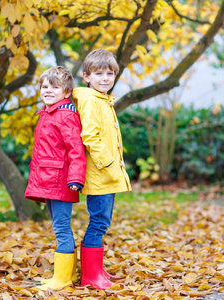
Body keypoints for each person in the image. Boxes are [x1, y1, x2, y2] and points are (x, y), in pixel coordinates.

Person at [72, 49, 132, 290]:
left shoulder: (102, 99)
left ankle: (96, 270)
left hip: (107, 176)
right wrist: (110, 167)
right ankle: (90, 276)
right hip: (101, 175)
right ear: (86, 76)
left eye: (110, 73)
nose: (106, 78)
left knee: (102, 222)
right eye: (99, 73)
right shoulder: (90, 100)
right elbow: (91, 137)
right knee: (98, 222)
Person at [25, 66, 86, 291]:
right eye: (44, 86)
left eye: (55, 87)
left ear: (67, 91)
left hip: (61, 180)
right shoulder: (48, 112)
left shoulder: (66, 115)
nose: (48, 90)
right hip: (49, 179)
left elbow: (76, 150)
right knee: (58, 225)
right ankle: (64, 274)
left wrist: (76, 178)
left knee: (61, 226)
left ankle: (63, 280)